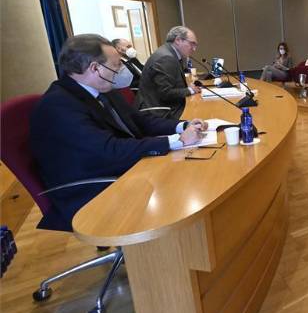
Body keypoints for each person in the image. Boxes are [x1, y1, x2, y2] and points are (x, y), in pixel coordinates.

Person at [29, 34, 207, 229]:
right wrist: (178, 141)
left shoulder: (102, 88)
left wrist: (182, 125)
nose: (121, 70)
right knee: (178, 185)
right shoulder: (58, 105)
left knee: (188, 170)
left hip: (120, 166)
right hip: (92, 187)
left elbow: (139, 121)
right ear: (95, 68)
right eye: (116, 66)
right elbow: (108, 150)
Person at [136, 26, 201, 119]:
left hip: (166, 106)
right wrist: (189, 90)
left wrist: (188, 88)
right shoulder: (166, 58)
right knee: (201, 115)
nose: (194, 49)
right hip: (160, 112)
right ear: (178, 40)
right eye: (192, 44)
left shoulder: (169, 53)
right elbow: (165, 93)